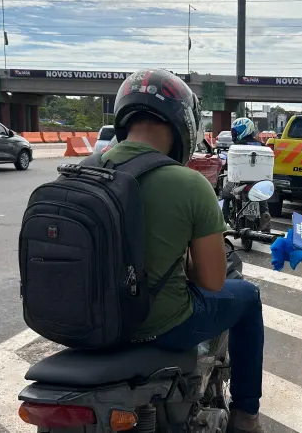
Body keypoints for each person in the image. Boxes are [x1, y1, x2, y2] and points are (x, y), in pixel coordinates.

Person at [97, 69, 265, 433]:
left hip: (90, 320)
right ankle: (245, 416)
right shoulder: (188, 183)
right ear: (182, 124)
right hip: (159, 324)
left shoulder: (84, 170)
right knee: (248, 298)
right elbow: (212, 280)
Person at [221, 117, 271, 232]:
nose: (234, 134)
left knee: (226, 195)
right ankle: (265, 214)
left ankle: (224, 218)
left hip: (238, 180)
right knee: (262, 197)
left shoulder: (236, 147)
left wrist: (223, 168)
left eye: (235, 132)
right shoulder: (261, 145)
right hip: (257, 181)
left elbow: (229, 164)